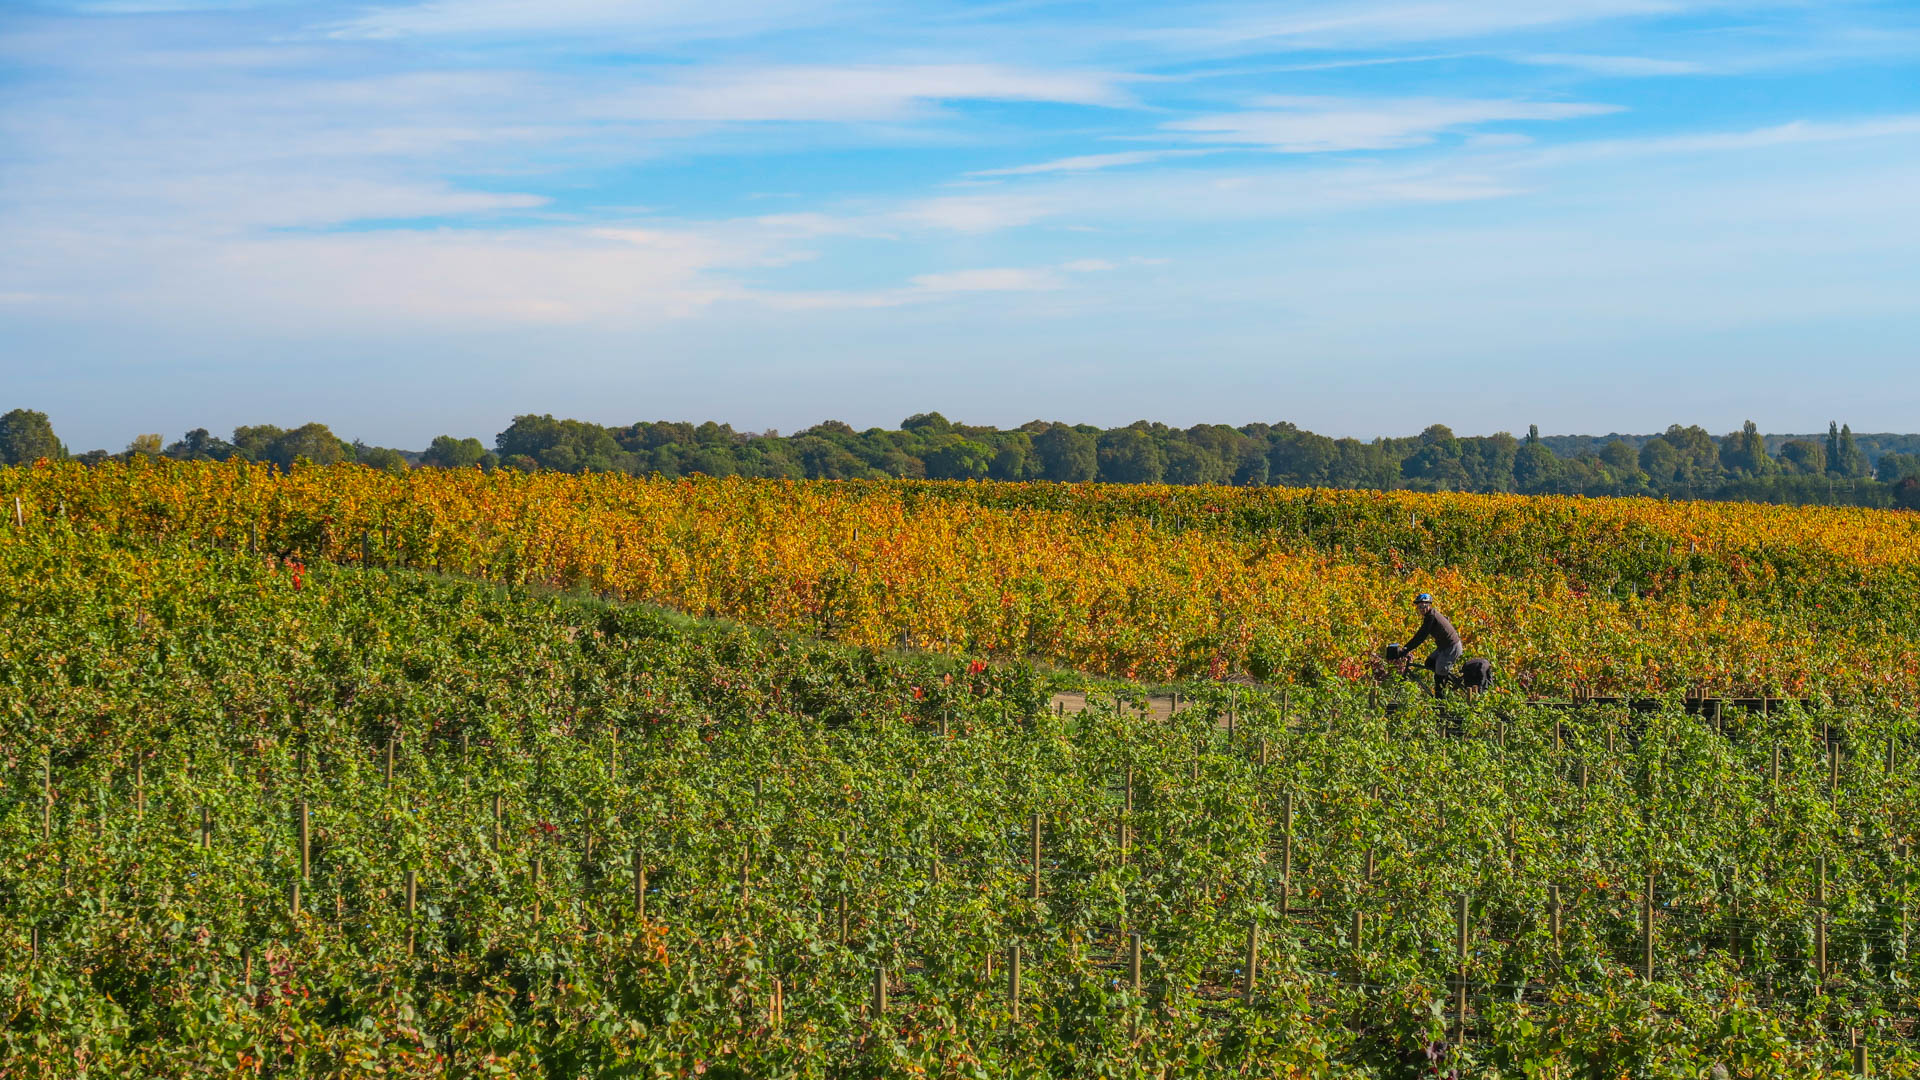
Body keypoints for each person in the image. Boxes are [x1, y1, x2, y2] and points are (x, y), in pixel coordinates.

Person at [1402, 592, 1462, 697]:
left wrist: (1406, 649)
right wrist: (1406, 648)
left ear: (1429, 605)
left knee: (1439, 676)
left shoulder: (1431, 617)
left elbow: (1421, 636)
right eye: (1419, 607)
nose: (1421, 609)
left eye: (1424, 606)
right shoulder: (1431, 615)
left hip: (1451, 647)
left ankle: (1440, 702)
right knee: (1429, 663)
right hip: (1443, 647)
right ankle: (1446, 678)